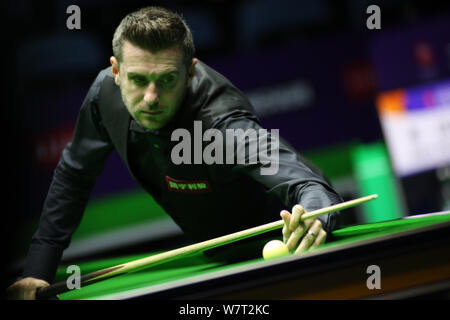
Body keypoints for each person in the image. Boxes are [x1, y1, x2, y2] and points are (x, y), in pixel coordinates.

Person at [7, 6, 342, 299]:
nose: (151, 97)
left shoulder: (220, 120)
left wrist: (315, 216)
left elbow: (307, 183)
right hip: (210, 256)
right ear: (116, 71)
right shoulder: (104, 97)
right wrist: (38, 269)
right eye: (138, 80)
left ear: (191, 72)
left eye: (167, 80)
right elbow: (73, 178)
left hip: (289, 251)